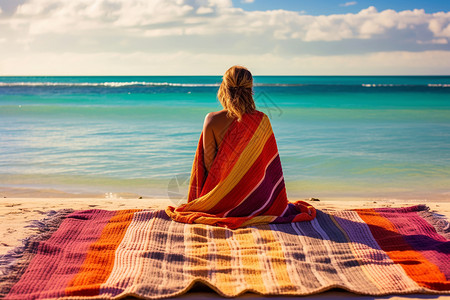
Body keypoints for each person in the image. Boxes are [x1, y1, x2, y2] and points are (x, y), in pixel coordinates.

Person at [166, 66, 315, 229]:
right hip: (259, 201)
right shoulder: (261, 120)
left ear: (224, 88)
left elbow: (208, 165)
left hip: (222, 201)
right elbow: (269, 168)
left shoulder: (212, 119)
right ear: (250, 90)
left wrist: (221, 192)